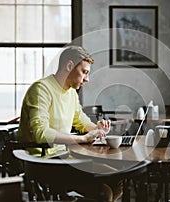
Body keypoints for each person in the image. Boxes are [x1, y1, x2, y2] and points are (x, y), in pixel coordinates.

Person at [18, 45, 122, 201]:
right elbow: (41, 134)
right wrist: (82, 139)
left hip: (65, 157)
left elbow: (80, 120)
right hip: (43, 162)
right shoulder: (41, 89)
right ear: (69, 66)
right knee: (103, 192)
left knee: (117, 178)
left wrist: (96, 128)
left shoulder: (72, 93)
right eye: (84, 72)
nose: (87, 78)